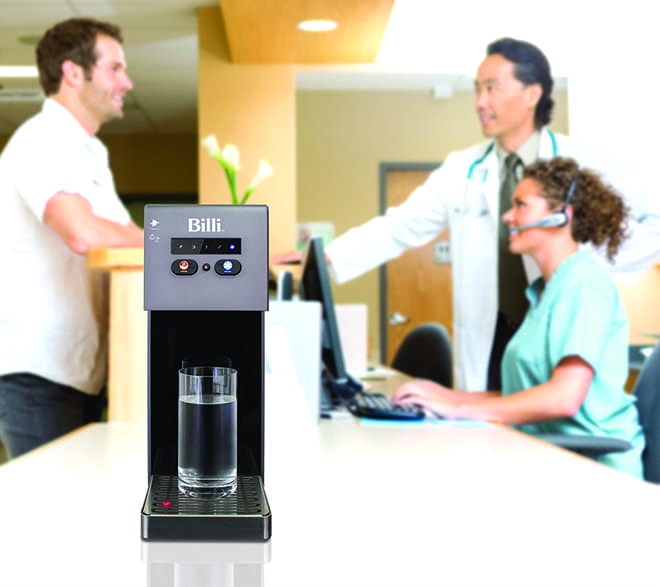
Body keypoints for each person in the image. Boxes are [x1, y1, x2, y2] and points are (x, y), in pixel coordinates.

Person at [279, 37, 660, 392]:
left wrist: (589, 265)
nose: (479, 101)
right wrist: (324, 258)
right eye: (477, 88)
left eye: (492, 87)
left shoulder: (584, 162)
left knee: (554, 425)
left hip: (557, 328)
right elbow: (399, 227)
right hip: (489, 337)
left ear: (532, 93)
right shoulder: (462, 168)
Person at [394, 157, 645, 478]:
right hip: (549, 454)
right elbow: (528, 392)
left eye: (521, 205)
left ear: (559, 216)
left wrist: (459, 409)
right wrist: (448, 396)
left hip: (593, 468)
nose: (507, 216)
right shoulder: (546, 290)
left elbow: (564, 398)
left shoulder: (583, 286)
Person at [0, 18, 144, 458]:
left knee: (73, 507)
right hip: (35, 373)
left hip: (76, 370)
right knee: (52, 515)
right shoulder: (42, 140)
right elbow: (84, 232)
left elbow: (128, 236)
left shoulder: (91, 154)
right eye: (115, 68)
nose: (126, 81)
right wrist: (195, 249)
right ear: (73, 72)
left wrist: (229, 250)